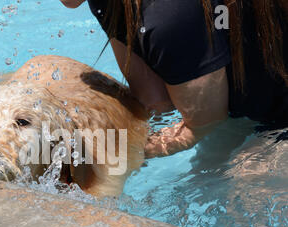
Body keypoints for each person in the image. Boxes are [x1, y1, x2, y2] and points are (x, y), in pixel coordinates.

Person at [60, 0, 288, 158]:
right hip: (249, 104)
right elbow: (154, 100)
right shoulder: (107, 4)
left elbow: (203, 125)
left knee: (247, 181)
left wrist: (108, 151)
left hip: (278, 110)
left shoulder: (168, 14)